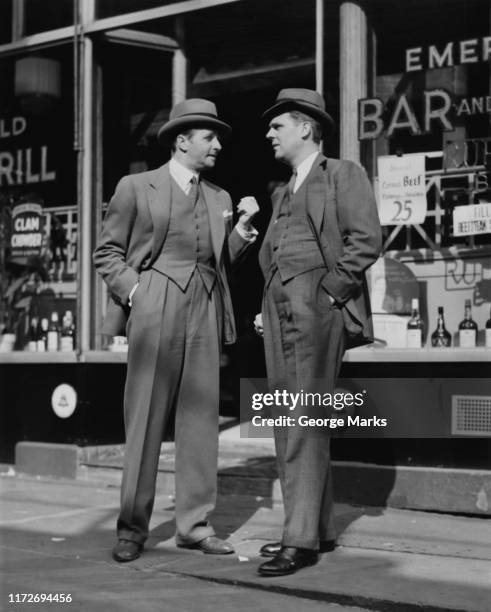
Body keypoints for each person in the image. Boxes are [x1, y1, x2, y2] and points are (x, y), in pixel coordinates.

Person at [93, 98, 258, 563]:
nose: (218, 145)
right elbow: (107, 253)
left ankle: (195, 526)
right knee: (144, 418)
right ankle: (131, 528)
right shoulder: (135, 187)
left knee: (201, 419)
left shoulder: (221, 198)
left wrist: (243, 231)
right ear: (182, 141)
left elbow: (221, 262)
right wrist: (137, 293)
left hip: (204, 304)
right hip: (155, 303)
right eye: (210, 137)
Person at [254, 88, 382, 576]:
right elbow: (275, 250)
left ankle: (299, 538)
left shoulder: (342, 173)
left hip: (318, 305)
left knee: (306, 418)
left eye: (277, 126)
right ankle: (317, 530)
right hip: (279, 307)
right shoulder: (282, 190)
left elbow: (366, 238)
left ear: (305, 128)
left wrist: (330, 293)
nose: (269, 134)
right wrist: (269, 301)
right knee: (286, 419)